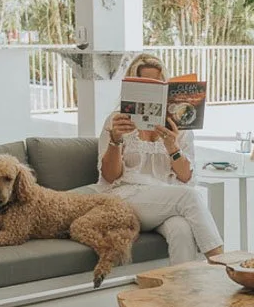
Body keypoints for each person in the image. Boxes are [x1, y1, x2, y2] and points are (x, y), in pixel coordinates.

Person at [96, 55, 224, 264]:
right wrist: (115, 140)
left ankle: (181, 293)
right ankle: (223, 265)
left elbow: (185, 177)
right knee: (189, 197)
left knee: (181, 230)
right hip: (126, 198)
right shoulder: (116, 121)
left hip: (164, 201)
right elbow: (110, 177)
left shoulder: (178, 127)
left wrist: (172, 146)